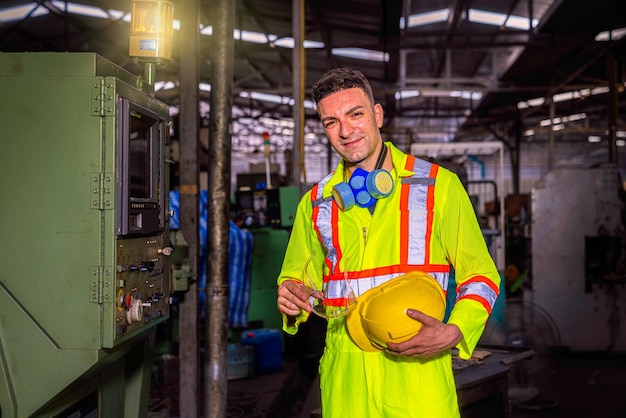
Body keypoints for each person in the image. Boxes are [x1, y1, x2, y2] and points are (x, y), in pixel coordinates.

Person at [276, 67, 500, 418]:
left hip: (417, 376)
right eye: (331, 122)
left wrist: (456, 330)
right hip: (345, 381)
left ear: (377, 115)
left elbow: (482, 275)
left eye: (356, 114)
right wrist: (292, 297)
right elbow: (295, 280)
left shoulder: (438, 186)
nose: (345, 131)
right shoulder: (315, 203)